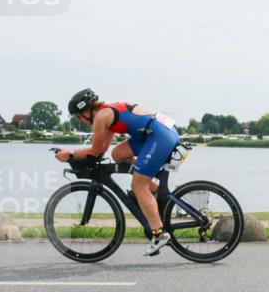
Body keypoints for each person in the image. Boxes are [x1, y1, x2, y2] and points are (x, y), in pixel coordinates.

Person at [58, 88, 179, 256]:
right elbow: (103, 150)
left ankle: (159, 234)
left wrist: (70, 154)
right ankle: (155, 190)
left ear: (86, 111)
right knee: (118, 154)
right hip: (155, 132)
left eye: (78, 117)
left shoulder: (101, 117)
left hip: (158, 135)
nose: (80, 121)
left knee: (138, 185)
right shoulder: (106, 112)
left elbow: (95, 151)